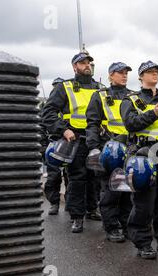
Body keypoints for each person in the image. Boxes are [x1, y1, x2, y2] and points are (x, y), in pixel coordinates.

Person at [42, 52, 102, 233]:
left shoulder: (100, 88)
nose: (87, 66)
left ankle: (92, 208)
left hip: (96, 139)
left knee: (95, 177)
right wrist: (63, 130)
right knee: (77, 177)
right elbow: (48, 112)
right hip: (75, 139)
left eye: (89, 63)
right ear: (74, 67)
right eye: (82, 63)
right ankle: (77, 216)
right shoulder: (64, 87)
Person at [121, 61, 158, 259]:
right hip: (142, 154)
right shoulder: (131, 99)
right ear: (141, 76)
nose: (154, 75)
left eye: (156, 72)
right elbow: (130, 124)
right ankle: (142, 242)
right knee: (144, 202)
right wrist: (153, 113)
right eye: (150, 72)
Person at [86, 62, 133, 242]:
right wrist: (94, 147)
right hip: (110, 150)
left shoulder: (132, 96)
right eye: (120, 73)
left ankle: (126, 224)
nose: (124, 76)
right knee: (111, 190)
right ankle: (111, 227)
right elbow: (92, 123)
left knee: (127, 189)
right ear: (110, 75)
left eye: (126, 73)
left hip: (129, 148)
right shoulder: (100, 96)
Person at [43, 77, 69, 215]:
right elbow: (41, 128)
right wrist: (43, 147)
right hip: (53, 146)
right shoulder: (48, 107)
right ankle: (54, 203)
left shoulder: (68, 107)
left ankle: (69, 203)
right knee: (53, 178)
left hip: (68, 145)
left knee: (70, 177)